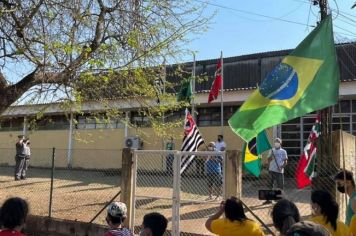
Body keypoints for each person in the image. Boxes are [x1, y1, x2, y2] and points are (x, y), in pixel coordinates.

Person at [264, 138, 288, 204]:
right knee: (269, 185)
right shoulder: (271, 150)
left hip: (279, 171)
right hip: (271, 170)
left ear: (280, 143)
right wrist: (270, 157)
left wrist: (281, 167)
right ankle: (269, 200)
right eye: (275, 142)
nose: (276, 143)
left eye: (278, 142)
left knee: (280, 186)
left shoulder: (283, 151)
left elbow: (285, 161)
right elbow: (268, 160)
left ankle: (279, 200)